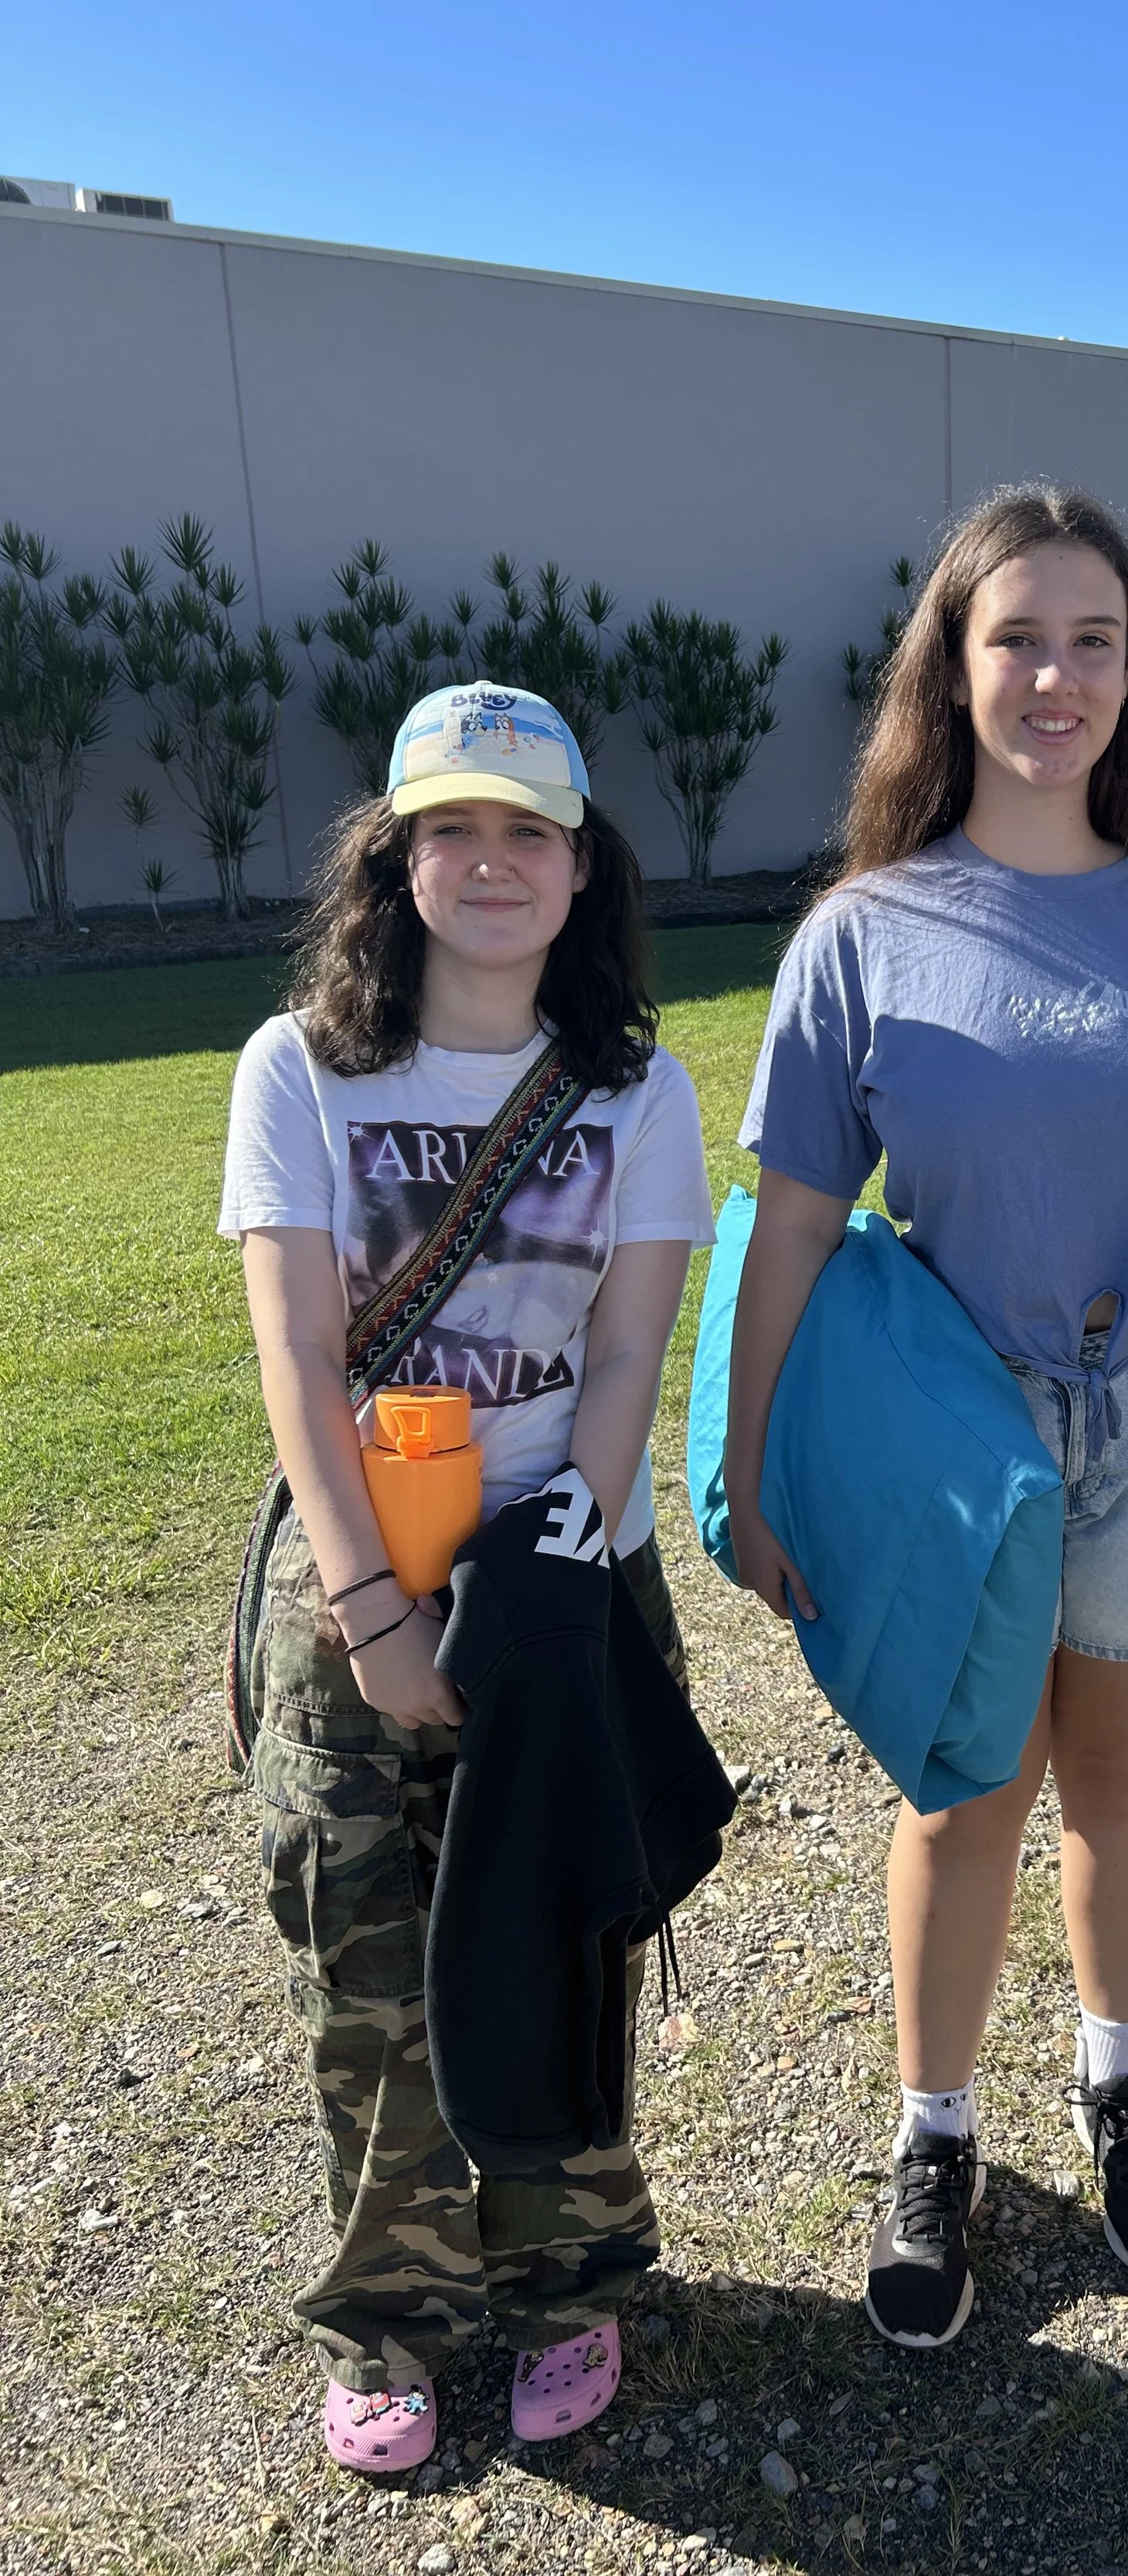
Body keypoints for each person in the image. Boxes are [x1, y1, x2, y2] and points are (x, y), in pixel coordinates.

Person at [725, 487, 1128, 2348]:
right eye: (1016, 637)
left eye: (1096, 640)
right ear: (951, 664)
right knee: (964, 1795)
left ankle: (1117, 2079)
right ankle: (934, 2135)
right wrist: (751, 1469)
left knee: (1124, 1785)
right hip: (958, 1441)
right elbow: (789, 1228)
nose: (1056, 677)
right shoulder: (862, 931)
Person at [218, 686, 715, 2470]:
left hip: (565, 1588)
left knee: (562, 1935)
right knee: (368, 1973)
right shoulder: (299, 1069)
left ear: (580, 870)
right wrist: (372, 1612)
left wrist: (551, 1571)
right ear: (396, 859)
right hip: (354, 1582)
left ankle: (566, 2281)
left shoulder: (638, 1089)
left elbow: (626, 1357)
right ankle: (394, 2315)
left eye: (528, 832)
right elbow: (296, 1357)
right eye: (454, 829)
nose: (492, 863)